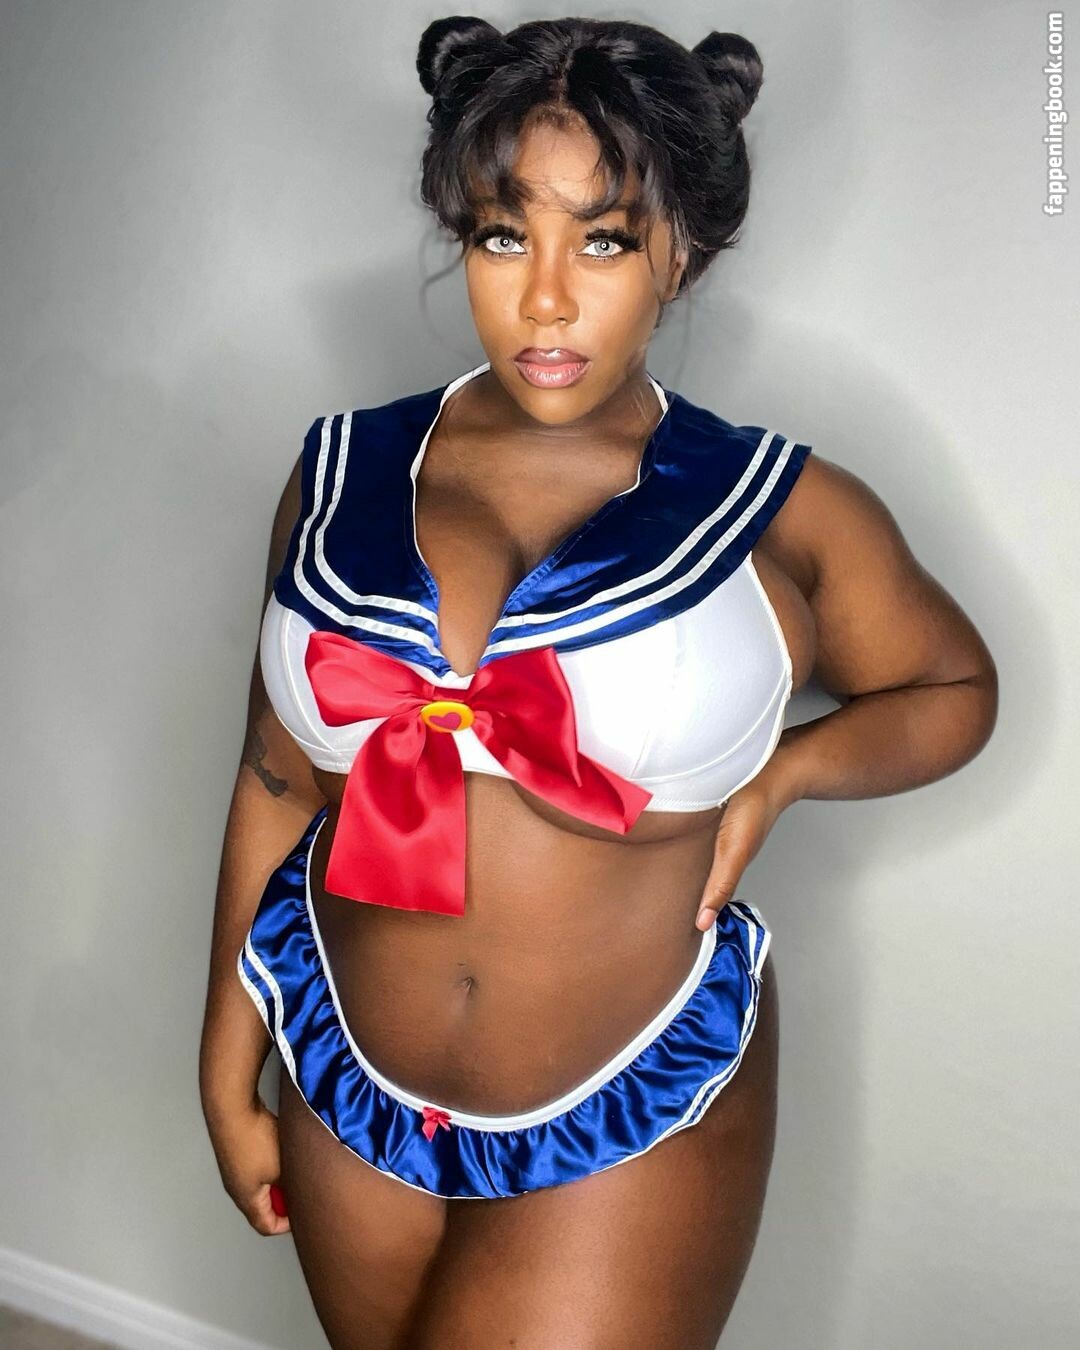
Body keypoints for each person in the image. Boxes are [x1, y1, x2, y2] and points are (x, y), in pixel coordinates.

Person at [198, 16, 998, 1349]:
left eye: (606, 239)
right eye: (504, 235)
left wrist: (787, 773)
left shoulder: (780, 508)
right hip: (345, 1070)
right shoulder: (337, 474)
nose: (548, 299)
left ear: (683, 249)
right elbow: (277, 781)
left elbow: (954, 687)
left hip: (629, 1099)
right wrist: (226, 1062)